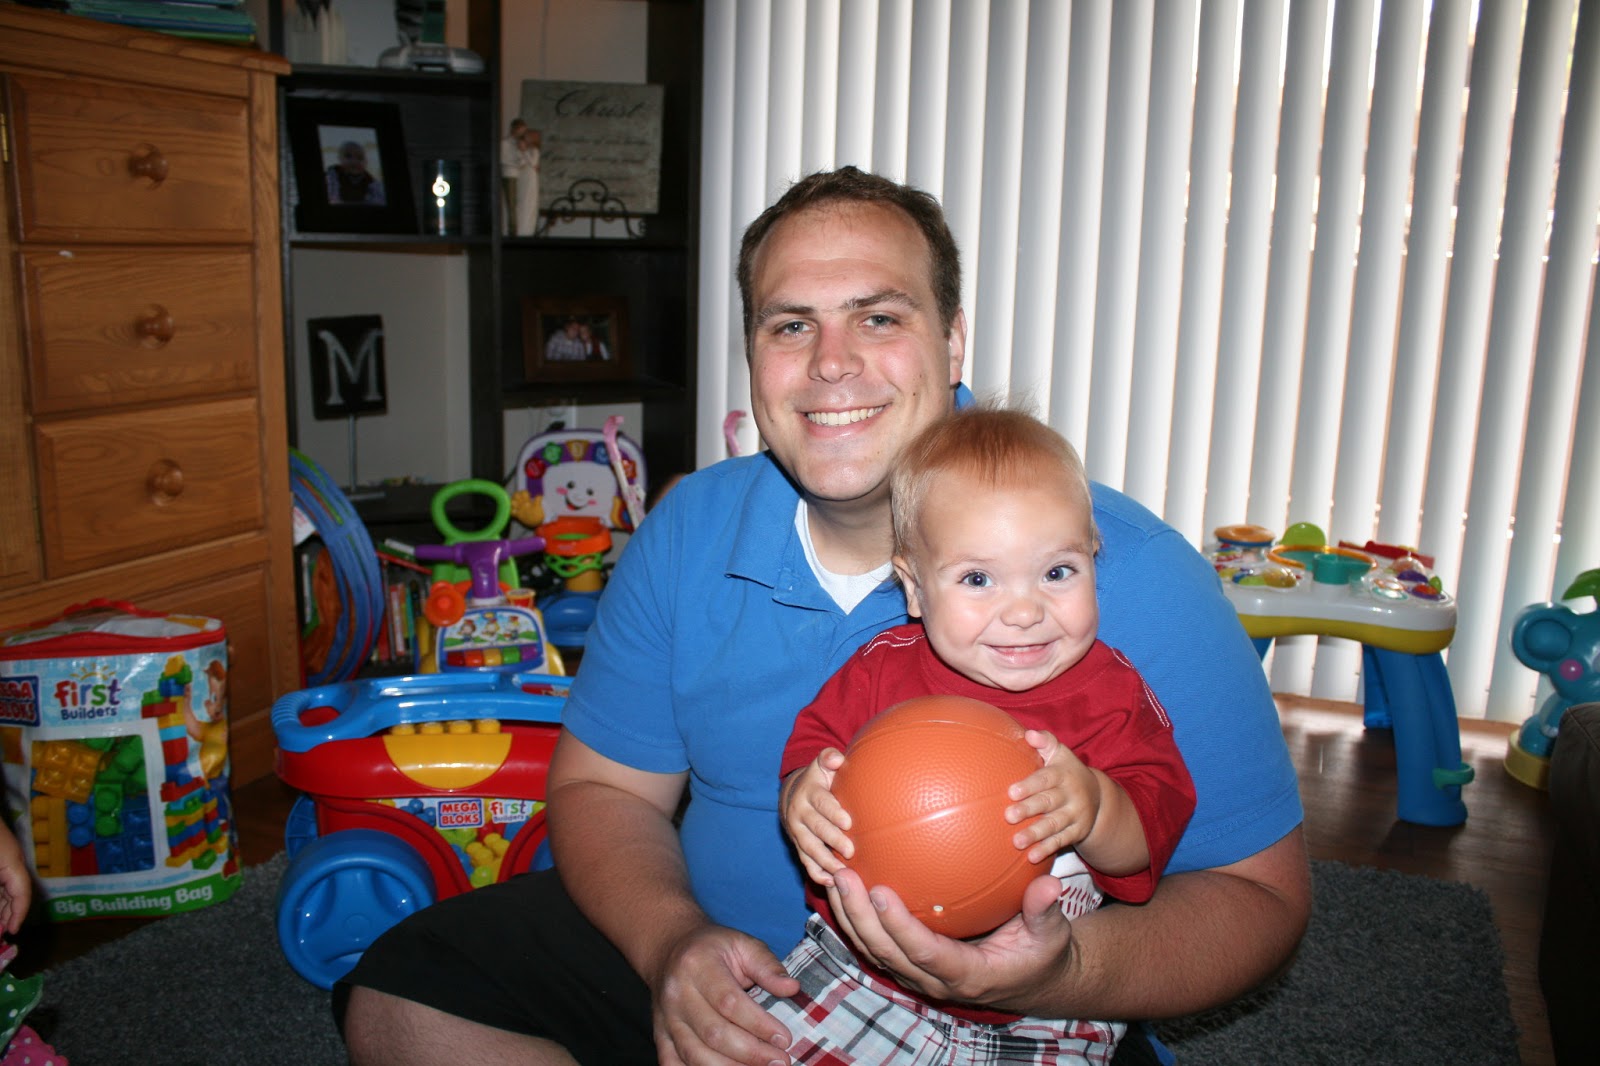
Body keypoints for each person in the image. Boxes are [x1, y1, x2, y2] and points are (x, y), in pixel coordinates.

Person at [337, 165, 1311, 1066]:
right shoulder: (689, 529)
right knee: (404, 1000)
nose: (831, 364)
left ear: (952, 339)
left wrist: (1058, 973)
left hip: (1017, 1013)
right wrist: (671, 941)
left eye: (878, 317)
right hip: (724, 969)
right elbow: (604, 789)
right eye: (790, 325)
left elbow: (1260, 900)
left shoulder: (1119, 569)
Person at [764, 406, 1196, 1063]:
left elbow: (1148, 836)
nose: (1023, 611)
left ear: (1093, 560)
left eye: (1057, 572)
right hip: (861, 967)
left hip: (1043, 1000)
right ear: (914, 589)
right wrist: (803, 795)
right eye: (977, 579)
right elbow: (812, 751)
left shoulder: (1113, 697)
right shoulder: (880, 670)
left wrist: (1095, 806)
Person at [325, 139, 384, 205]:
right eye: (348, 156)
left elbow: (378, 200)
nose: (354, 161)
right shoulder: (333, 176)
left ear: (366, 162)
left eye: (360, 158)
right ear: (340, 159)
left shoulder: (370, 182)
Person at [500, 117, 528, 234]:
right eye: (520, 131)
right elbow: (503, 159)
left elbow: (523, 162)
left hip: (515, 175)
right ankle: (512, 230)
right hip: (508, 174)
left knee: (514, 203)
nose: (521, 133)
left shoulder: (518, 144)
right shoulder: (505, 143)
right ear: (514, 129)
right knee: (510, 203)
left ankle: (513, 228)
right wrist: (517, 163)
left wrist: (522, 151)